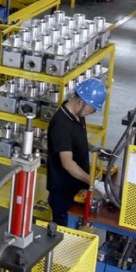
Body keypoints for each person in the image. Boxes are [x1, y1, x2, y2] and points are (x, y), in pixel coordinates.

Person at [46, 78, 106, 226]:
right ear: (81, 102)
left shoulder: (78, 115)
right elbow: (68, 164)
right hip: (63, 193)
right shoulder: (61, 124)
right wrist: (95, 183)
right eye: (91, 110)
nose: (90, 113)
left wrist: (93, 148)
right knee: (63, 234)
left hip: (77, 188)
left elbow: (77, 139)